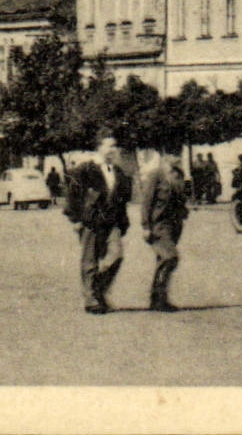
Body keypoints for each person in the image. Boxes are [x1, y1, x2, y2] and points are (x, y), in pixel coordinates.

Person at [64, 132, 132, 315]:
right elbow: (72, 195)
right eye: (108, 146)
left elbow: (122, 200)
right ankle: (91, 299)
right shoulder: (85, 169)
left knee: (116, 256)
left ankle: (98, 288)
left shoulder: (118, 172)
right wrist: (76, 219)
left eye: (114, 146)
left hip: (112, 222)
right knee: (90, 261)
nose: (112, 150)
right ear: (98, 148)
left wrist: (123, 223)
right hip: (91, 221)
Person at [140, 147, 189, 312]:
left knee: (163, 260)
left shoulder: (179, 175)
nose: (178, 157)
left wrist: (184, 211)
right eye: (174, 153)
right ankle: (158, 297)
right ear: (165, 156)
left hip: (175, 224)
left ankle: (159, 300)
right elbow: (146, 202)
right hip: (159, 224)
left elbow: (181, 198)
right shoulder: (156, 175)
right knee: (170, 257)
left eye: (179, 154)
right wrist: (146, 226)